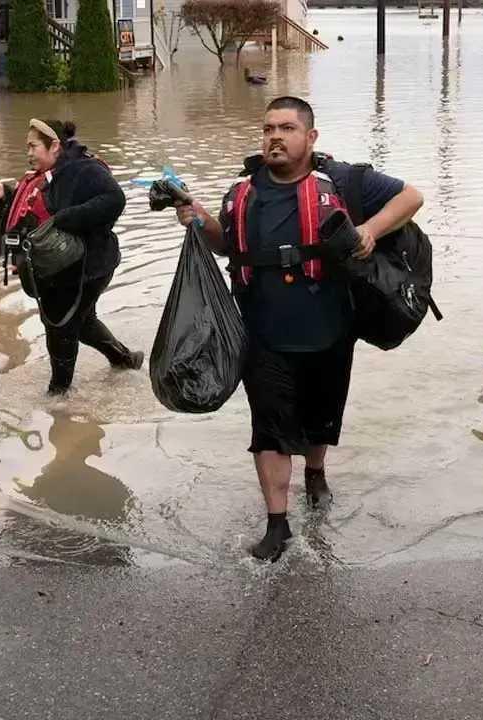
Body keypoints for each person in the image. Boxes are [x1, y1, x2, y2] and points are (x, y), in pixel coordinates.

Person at [175, 97, 424, 561]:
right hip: (261, 333)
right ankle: (277, 523)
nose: (274, 136)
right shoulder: (242, 191)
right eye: (268, 127)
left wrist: (368, 230)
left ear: (310, 138)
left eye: (287, 128)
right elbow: (228, 246)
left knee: (320, 420)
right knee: (269, 429)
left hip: (330, 329)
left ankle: (315, 471)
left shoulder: (346, 181)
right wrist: (198, 219)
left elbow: (411, 197)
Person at [0, 119, 141, 395]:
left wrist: (67, 219)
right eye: (27, 147)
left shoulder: (84, 170)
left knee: (59, 326)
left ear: (54, 145)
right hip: (65, 269)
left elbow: (115, 199)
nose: (29, 153)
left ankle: (58, 397)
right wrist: (7, 193)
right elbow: (38, 203)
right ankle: (125, 361)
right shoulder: (50, 172)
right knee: (82, 322)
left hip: (87, 268)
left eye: (33, 146)